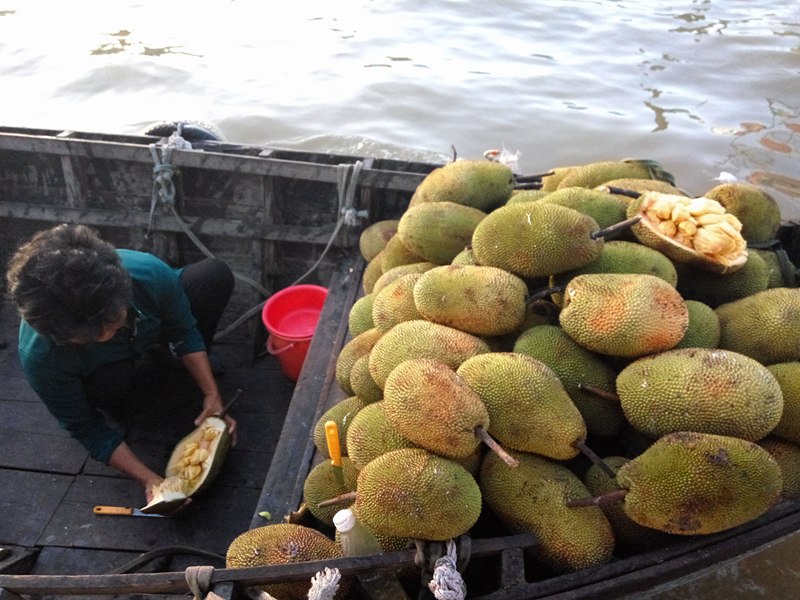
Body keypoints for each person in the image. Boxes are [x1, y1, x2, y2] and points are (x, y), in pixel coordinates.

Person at [5, 223, 238, 506]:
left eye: (111, 320)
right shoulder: (40, 356)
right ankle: (129, 399)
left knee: (212, 276)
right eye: (89, 335)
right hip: (110, 375)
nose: (104, 335)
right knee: (116, 384)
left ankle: (174, 366)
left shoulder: (147, 273)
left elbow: (184, 332)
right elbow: (86, 428)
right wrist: (150, 480)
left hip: (152, 336)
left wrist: (211, 393)